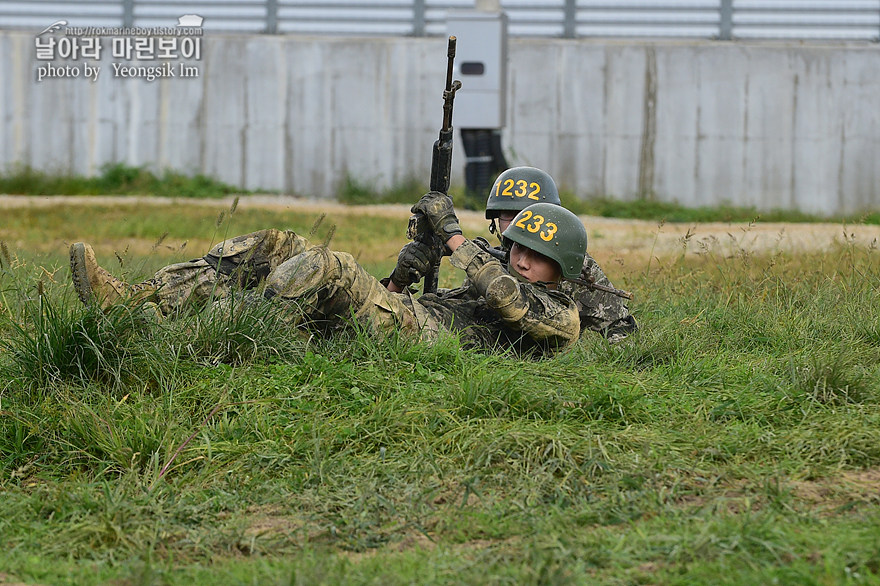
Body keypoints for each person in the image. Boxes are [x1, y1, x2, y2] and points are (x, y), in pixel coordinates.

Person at [70, 193, 587, 356]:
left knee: (330, 267)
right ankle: (135, 303)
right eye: (518, 248)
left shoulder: (562, 316)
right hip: (407, 319)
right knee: (283, 246)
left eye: (537, 257)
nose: (520, 261)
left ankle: (231, 339)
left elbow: (505, 299)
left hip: (420, 338)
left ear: (559, 269)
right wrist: (402, 278)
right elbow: (387, 304)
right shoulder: (496, 268)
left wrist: (452, 237)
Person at [389, 166, 638, 343]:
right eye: (509, 216)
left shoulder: (574, 266)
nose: (522, 226)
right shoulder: (502, 256)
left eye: (530, 216)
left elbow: (620, 328)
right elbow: (471, 303)